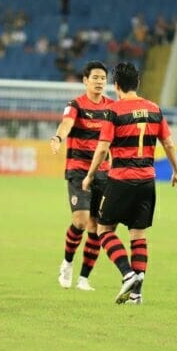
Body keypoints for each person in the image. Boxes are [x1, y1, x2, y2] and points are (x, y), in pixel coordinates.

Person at [82, 62, 177, 305]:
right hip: (147, 181)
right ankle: (136, 294)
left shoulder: (114, 111)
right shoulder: (154, 109)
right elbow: (168, 144)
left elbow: (103, 147)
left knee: (104, 229)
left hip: (121, 179)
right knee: (138, 235)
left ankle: (128, 274)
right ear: (137, 84)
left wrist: (90, 175)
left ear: (115, 85)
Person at [49, 61, 114, 291]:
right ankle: (67, 263)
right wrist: (58, 138)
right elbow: (66, 124)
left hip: (103, 172)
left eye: (102, 78)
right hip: (78, 170)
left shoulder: (112, 108)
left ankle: (84, 278)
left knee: (96, 227)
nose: (99, 82)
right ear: (85, 81)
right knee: (80, 220)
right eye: (95, 77)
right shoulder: (75, 104)